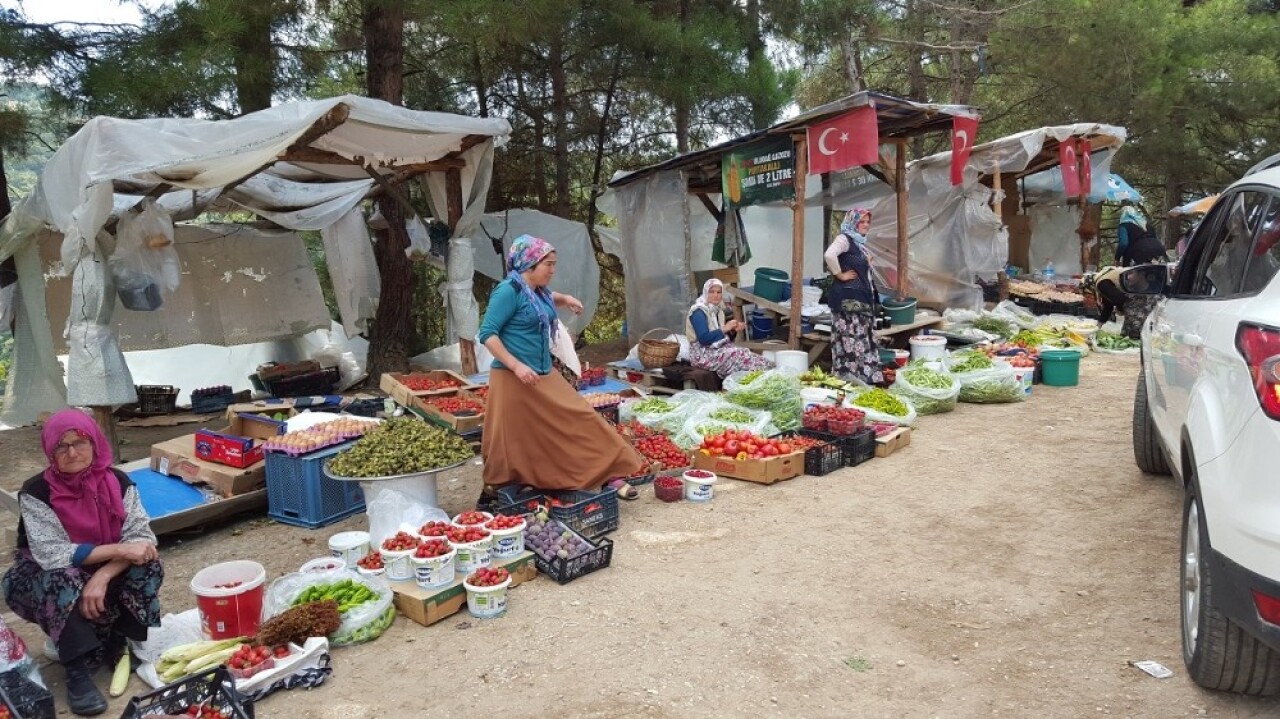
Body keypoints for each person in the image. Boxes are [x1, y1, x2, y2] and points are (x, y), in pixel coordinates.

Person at [3, 409, 163, 716]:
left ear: (95, 443)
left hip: (98, 568)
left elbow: (142, 541)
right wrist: (120, 550)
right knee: (62, 578)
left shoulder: (118, 482)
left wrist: (102, 575)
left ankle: (116, 640)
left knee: (148, 564)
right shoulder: (37, 492)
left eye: (80, 442)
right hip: (45, 576)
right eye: (61, 446)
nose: (72, 452)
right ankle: (76, 668)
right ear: (50, 451)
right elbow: (52, 554)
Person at [479, 235, 644, 500]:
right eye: (549, 265)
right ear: (529, 264)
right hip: (513, 377)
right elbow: (487, 333)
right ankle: (498, 490)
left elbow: (546, 299)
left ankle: (608, 475)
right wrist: (516, 366)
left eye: (554, 264)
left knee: (583, 417)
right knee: (511, 439)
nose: (553, 270)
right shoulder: (509, 290)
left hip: (543, 373)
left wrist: (565, 299)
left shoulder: (538, 291)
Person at [823, 208, 884, 385]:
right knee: (851, 339)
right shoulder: (844, 239)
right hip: (847, 301)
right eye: (861, 221)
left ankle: (863, 378)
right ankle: (851, 379)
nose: (865, 225)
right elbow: (829, 254)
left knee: (860, 339)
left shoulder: (859, 244)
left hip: (860, 300)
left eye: (867, 222)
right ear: (852, 222)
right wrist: (839, 274)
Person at [685, 279, 773, 378]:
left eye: (719, 292)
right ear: (705, 292)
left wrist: (733, 331)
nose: (715, 295)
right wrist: (725, 328)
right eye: (711, 292)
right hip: (702, 355)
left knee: (748, 354)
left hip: (716, 349)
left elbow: (720, 338)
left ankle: (769, 375)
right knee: (739, 355)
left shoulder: (717, 311)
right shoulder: (698, 312)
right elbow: (704, 339)